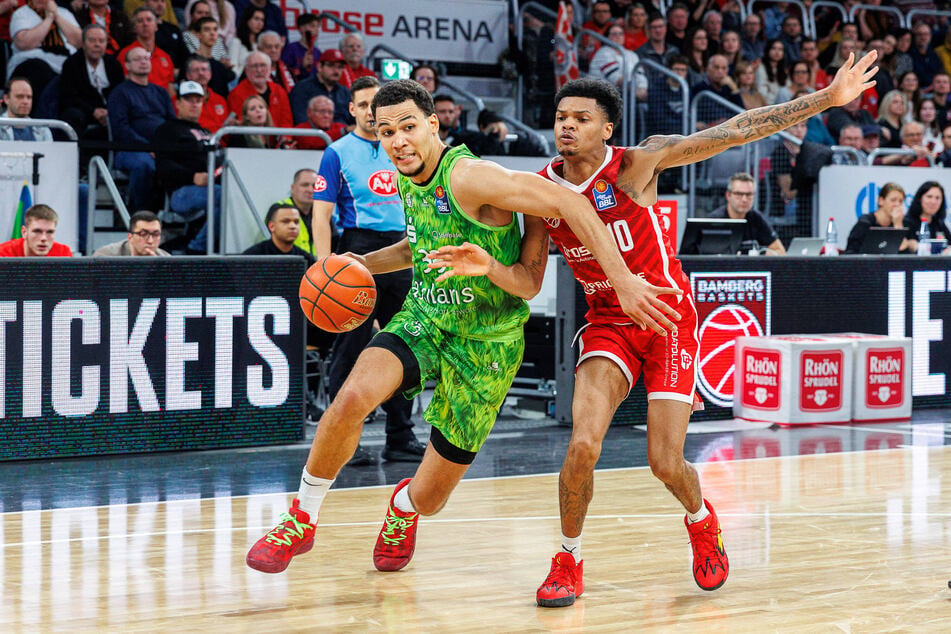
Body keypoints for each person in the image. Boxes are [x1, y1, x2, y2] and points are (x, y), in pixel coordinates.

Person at [245, 77, 679, 575]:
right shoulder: (405, 172)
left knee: (430, 497)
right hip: (426, 317)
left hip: (487, 344)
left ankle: (403, 509)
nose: (398, 140)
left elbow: (572, 205)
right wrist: (357, 265)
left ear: (433, 124)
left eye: (408, 127)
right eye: (386, 132)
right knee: (352, 396)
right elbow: (417, 247)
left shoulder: (471, 176)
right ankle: (302, 517)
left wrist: (622, 280)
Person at [524, 52, 876, 606]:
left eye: (581, 118)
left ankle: (701, 519)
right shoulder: (539, 191)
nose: (566, 124)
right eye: (561, 115)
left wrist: (826, 100)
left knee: (664, 462)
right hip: (608, 324)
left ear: (606, 129)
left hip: (668, 321)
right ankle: (567, 559)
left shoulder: (638, 164)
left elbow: (738, 130)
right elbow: (527, 279)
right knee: (582, 447)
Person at [309, 76, 422, 466]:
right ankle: (345, 438)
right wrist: (325, 266)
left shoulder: (404, 146)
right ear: (352, 110)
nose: (370, 112)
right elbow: (321, 214)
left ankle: (401, 437)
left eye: (375, 104)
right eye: (362, 105)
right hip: (356, 251)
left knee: (406, 345)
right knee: (350, 349)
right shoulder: (336, 152)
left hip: (405, 251)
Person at [153, 80, 219, 253]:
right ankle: (195, 248)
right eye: (188, 99)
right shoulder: (166, 129)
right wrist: (192, 177)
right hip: (180, 192)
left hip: (211, 186)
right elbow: (163, 166)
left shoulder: (207, 132)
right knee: (221, 195)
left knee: (227, 193)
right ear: (178, 103)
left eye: (198, 100)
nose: (194, 104)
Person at [106, 46, 174, 210]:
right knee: (145, 165)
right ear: (127, 65)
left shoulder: (161, 93)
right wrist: (147, 147)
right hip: (130, 149)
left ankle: (177, 217)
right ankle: (138, 213)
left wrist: (162, 147)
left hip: (160, 149)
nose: (143, 62)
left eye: (146, 58)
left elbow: (172, 124)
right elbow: (121, 128)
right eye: (137, 59)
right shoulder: (120, 93)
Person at [58, 24, 125, 141]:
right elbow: (68, 96)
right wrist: (92, 111)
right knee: (72, 115)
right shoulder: (72, 64)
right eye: (92, 40)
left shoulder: (113, 64)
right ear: (83, 44)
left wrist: (109, 111)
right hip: (84, 110)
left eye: (101, 41)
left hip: (111, 110)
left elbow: (121, 93)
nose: (97, 45)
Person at [7, 0, 81, 102]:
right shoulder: (21, 13)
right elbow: (24, 43)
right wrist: (49, 18)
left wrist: (57, 16)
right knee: (39, 69)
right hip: (31, 64)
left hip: (64, 63)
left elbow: (80, 42)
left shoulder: (64, 13)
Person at [708, 172, 785, 255]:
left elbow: (780, 251)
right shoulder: (715, 220)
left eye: (749, 194)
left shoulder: (756, 218)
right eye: (739, 194)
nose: (744, 199)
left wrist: (756, 254)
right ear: (728, 195)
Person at [118, 6, 176, 98]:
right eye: (140, 21)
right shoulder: (126, 54)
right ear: (134, 28)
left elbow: (171, 91)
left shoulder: (165, 57)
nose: (145, 24)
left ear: (156, 26)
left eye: (149, 20)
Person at [227, 50, 292, 128]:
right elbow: (242, 123)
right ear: (246, 70)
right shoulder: (236, 93)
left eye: (263, 65)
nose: (259, 70)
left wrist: (285, 138)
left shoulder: (279, 90)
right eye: (254, 66)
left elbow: (287, 121)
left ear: (270, 68)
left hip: (277, 138)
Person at [289, 48, 351, 126]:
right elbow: (301, 122)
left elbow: (356, 120)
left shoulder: (345, 92)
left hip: (343, 136)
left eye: (340, 67)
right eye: (331, 65)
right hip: (314, 135)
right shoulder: (302, 88)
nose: (336, 71)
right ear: (319, 67)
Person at [844, 182, 908, 253]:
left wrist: (898, 226)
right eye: (893, 200)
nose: (897, 204)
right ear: (880, 200)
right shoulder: (865, 223)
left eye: (901, 201)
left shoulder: (900, 223)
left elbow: (906, 257)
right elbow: (851, 252)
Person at [272, 167, 321, 255]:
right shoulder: (279, 209)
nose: (310, 190)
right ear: (293, 188)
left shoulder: (321, 213)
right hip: (286, 264)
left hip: (314, 265)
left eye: (315, 186)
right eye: (305, 185)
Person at [243, 202, 314, 261]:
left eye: (296, 222)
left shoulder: (307, 259)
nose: (293, 226)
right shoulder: (252, 257)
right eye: (286, 221)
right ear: (271, 226)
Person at [0, 203, 73, 256]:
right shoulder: (4, 253)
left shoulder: (63, 253)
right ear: (24, 232)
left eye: (50, 232)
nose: (43, 238)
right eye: (37, 231)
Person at [903, 180, 950, 254]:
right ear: (920, 198)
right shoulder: (907, 223)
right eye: (929, 197)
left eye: (937, 198)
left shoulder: (940, 224)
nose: (933, 202)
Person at [183, 54, 228, 130]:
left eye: (204, 69)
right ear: (188, 75)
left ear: (210, 74)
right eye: (196, 70)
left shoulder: (220, 100)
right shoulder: (183, 101)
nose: (201, 73)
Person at [93, 210, 170, 255]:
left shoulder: (166, 260)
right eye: (143, 234)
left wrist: (157, 268)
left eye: (155, 234)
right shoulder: (106, 256)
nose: (150, 241)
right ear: (130, 237)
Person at [0, 76, 51, 140]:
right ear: (6, 99)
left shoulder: (42, 130)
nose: (25, 101)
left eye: (29, 97)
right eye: (20, 96)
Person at [280, 12, 318, 80]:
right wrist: (302, 66)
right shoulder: (290, 49)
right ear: (302, 28)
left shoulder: (318, 53)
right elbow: (284, 74)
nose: (316, 30)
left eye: (317, 27)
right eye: (312, 26)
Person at [227, 4, 262, 77]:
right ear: (247, 20)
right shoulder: (236, 42)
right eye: (256, 19)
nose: (260, 23)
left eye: (262, 20)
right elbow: (233, 69)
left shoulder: (260, 44)